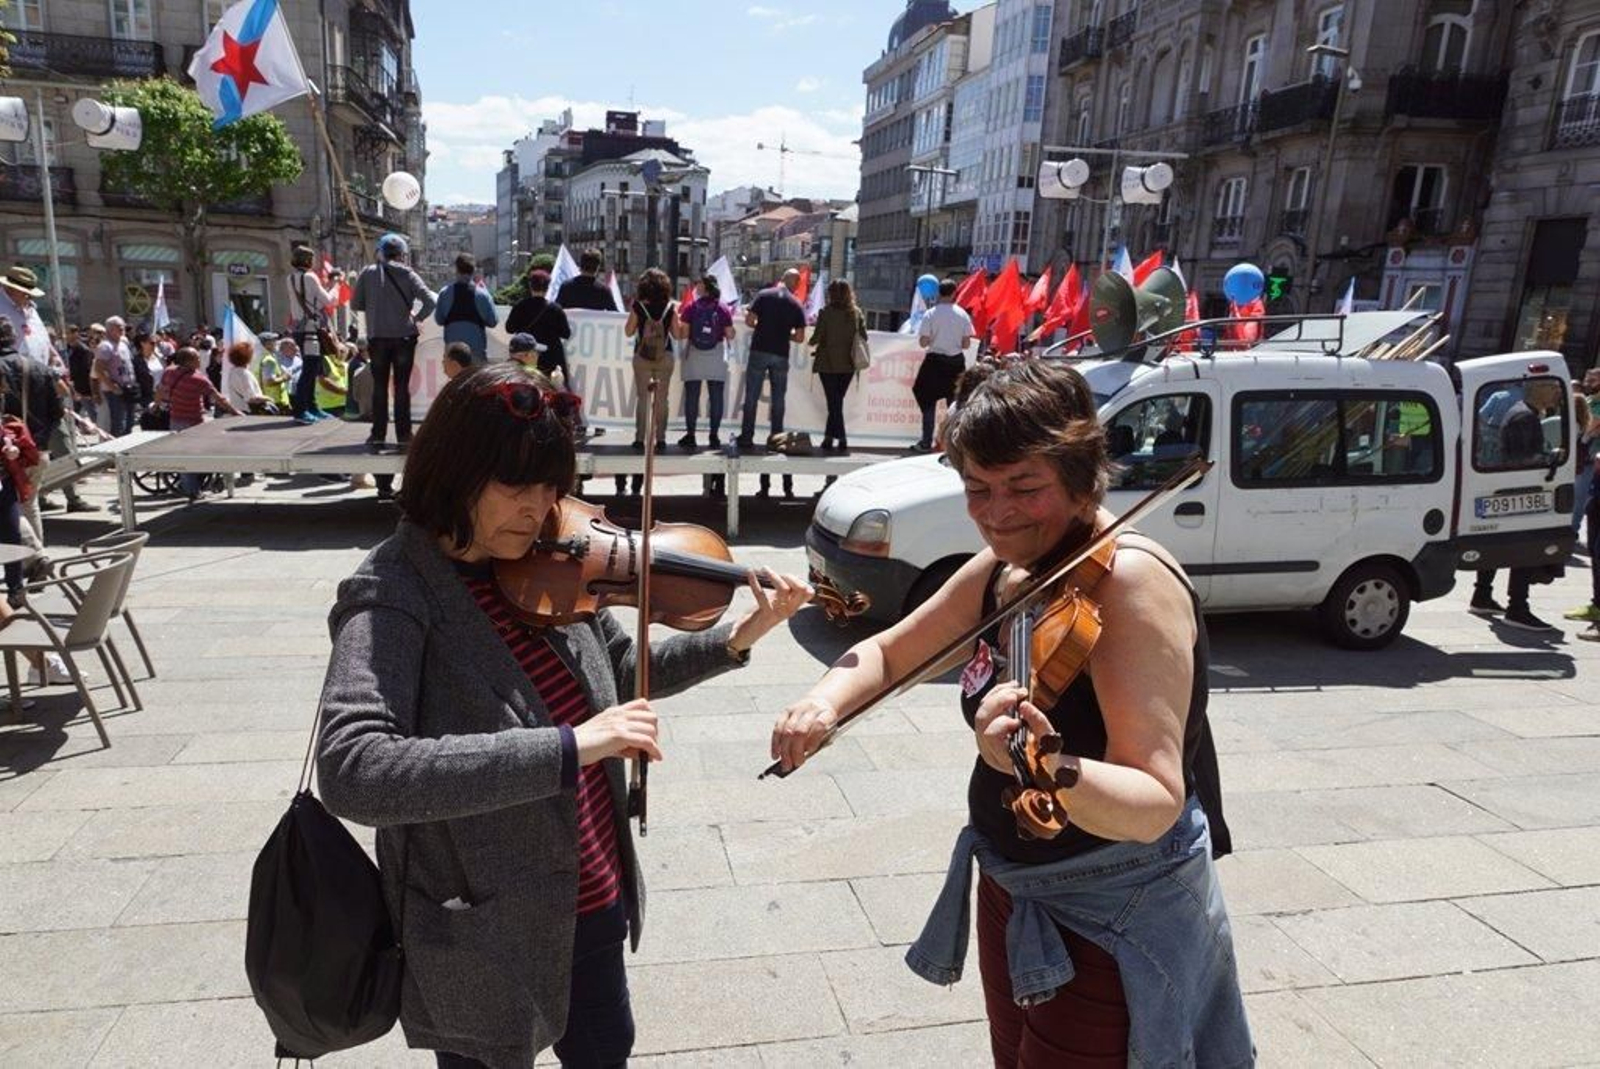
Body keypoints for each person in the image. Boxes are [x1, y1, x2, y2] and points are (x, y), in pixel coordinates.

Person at [315, 361, 813, 1068]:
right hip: (479, 926)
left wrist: (737, 638)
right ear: (454, 472)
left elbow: (619, 680)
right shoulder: (395, 588)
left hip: (590, 896)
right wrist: (566, 747)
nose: (540, 506)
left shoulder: (554, 558)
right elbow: (356, 769)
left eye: (552, 484)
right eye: (515, 486)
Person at [768, 358, 1250, 1068]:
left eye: (1025, 487)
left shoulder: (1131, 586)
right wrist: (822, 701)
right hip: (1017, 888)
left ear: (1084, 475)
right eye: (977, 489)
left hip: (1111, 913)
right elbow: (891, 654)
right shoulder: (1005, 573)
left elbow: (1154, 800)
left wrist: (1048, 765)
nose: (996, 512)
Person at [1470, 378, 1565, 632]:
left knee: (1499, 545)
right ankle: (1517, 607)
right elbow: (1523, 458)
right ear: (1539, 389)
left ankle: (1482, 596)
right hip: (1522, 490)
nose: (1557, 393)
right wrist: (1551, 457)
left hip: (1511, 486)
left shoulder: (1523, 412)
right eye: (1553, 388)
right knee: (1525, 550)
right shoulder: (1525, 416)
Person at [353, 233, 435, 453]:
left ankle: (378, 435)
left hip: (377, 338)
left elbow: (356, 303)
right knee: (401, 388)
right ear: (401, 254)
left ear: (381, 251)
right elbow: (430, 301)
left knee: (379, 386)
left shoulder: (368, 273)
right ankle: (404, 436)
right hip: (404, 338)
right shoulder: (408, 274)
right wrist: (416, 319)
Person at [156, 347, 241, 501]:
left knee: (184, 456)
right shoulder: (198, 379)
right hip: (194, 422)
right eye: (197, 358)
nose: (200, 360)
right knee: (205, 452)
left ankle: (190, 486)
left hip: (175, 420)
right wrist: (236, 412)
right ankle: (195, 489)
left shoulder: (169, 372)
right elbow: (218, 399)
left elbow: (160, 390)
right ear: (189, 361)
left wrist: (155, 406)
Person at [737, 269, 807, 450]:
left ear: (781, 279)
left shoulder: (763, 295)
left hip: (759, 349)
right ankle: (776, 439)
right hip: (780, 354)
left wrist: (763, 326)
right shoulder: (796, 304)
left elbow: (749, 321)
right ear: (796, 284)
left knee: (751, 396)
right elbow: (800, 337)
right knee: (778, 399)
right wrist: (785, 334)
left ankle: (746, 437)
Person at [673, 273, 734, 452]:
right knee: (716, 397)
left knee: (692, 396)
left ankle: (691, 435)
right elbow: (730, 334)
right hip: (716, 353)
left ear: (704, 287)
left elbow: (684, 333)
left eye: (698, 283)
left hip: (695, 353)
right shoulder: (722, 308)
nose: (695, 286)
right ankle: (714, 436)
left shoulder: (691, 307)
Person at [913, 278, 975, 453]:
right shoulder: (963, 315)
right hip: (955, 363)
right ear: (955, 293)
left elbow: (923, 343)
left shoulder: (930, 314)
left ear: (939, 292)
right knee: (955, 403)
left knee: (927, 400)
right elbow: (966, 345)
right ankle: (952, 444)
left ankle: (926, 442)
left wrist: (935, 338)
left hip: (934, 362)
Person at [808, 278, 866, 453]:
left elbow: (815, 338)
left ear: (831, 294)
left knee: (833, 403)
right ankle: (829, 438)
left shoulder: (825, 313)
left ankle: (840, 438)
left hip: (827, 364)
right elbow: (864, 336)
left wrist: (809, 340)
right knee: (836, 402)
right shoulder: (856, 313)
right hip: (849, 364)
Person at [624, 268, 676, 453]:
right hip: (665, 356)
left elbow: (628, 331)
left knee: (643, 398)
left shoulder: (638, 306)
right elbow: (677, 334)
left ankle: (639, 439)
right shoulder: (670, 307)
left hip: (642, 356)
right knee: (662, 400)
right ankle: (661, 439)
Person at [288, 244, 341, 425]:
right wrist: (335, 286)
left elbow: (310, 298)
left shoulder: (290, 278)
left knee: (311, 369)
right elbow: (327, 300)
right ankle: (302, 409)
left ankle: (311, 407)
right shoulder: (310, 277)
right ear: (308, 261)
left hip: (299, 328)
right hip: (311, 329)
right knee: (310, 370)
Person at [506, 270, 573, 383]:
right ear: (547, 288)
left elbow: (509, 328)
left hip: (526, 357)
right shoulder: (555, 309)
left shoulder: (520, 306)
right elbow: (566, 333)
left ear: (530, 286)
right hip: (550, 358)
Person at [433, 253, 498, 363]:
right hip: (476, 354)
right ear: (473, 271)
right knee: (476, 380)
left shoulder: (444, 293)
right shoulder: (483, 295)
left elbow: (439, 320)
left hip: (453, 355)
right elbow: (493, 322)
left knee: (457, 380)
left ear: (456, 270)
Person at [93, 316, 138, 436]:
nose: (123, 329)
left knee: (130, 420)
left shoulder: (123, 344)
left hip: (129, 388)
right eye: (119, 327)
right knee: (119, 422)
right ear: (110, 329)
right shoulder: (105, 346)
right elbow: (99, 369)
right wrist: (112, 387)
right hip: (116, 391)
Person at [554, 248, 619, 313]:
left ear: (580, 265)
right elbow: (615, 316)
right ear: (598, 267)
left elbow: (556, 312)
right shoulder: (604, 291)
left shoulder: (566, 287)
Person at [223, 342, 270, 413]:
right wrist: (270, 399)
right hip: (248, 411)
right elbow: (252, 398)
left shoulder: (233, 372)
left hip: (238, 409)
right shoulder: (244, 374)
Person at [65, 324, 96, 415]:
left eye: (68, 333)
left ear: (75, 334)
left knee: (92, 412)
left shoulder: (83, 350)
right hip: (74, 386)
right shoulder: (68, 348)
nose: (66, 336)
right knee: (77, 413)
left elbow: (86, 370)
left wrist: (84, 390)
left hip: (83, 388)